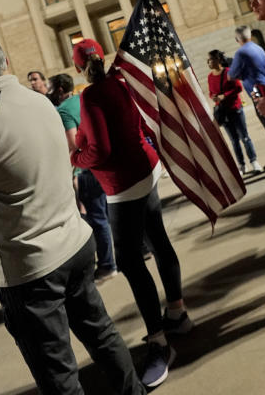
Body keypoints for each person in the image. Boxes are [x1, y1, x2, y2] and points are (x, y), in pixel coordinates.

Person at [0, 34, 143, 395]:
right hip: (74, 243)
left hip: (30, 265)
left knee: (57, 374)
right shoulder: (41, 101)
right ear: (6, 64)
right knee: (103, 336)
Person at [70, 38, 192, 389]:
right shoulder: (122, 83)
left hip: (122, 184)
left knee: (129, 261)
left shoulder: (91, 96)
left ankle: (159, 342)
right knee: (158, 239)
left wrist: (75, 158)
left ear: (78, 66)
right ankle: (177, 313)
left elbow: (100, 149)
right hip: (145, 169)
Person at [47, 74, 118, 285]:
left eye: (51, 88)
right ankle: (115, 258)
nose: (48, 92)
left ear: (60, 90)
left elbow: (72, 142)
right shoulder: (81, 100)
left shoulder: (63, 111)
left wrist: (72, 164)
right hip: (102, 163)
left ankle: (107, 264)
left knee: (97, 218)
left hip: (86, 169)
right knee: (105, 213)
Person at [228, 26, 265, 170]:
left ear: (237, 39)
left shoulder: (241, 53)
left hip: (257, 92)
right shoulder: (258, 48)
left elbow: (231, 75)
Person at [207, 49, 262, 175]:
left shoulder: (228, 72)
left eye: (211, 59)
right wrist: (214, 97)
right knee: (233, 140)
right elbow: (210, 92)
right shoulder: (210, 77)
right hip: (223, 112)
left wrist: (224, 96)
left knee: (245, 137)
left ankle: (254, 162)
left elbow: (238, 87)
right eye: (208, 60)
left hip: (235, 109)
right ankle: (242, 165)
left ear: (218, 59)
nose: (209, 62)